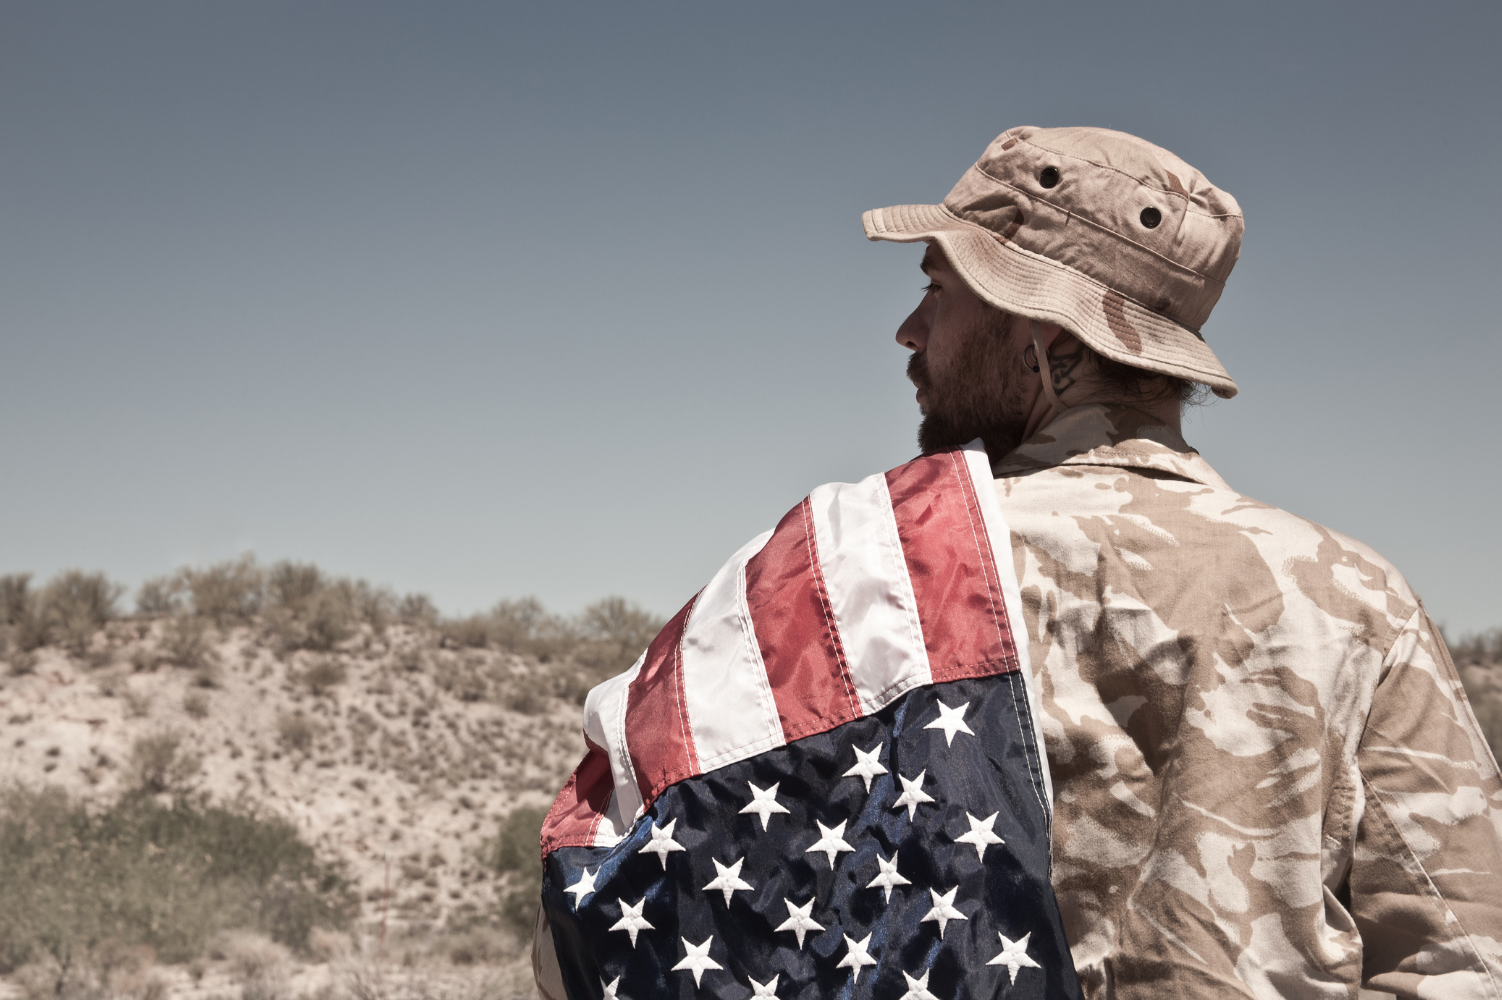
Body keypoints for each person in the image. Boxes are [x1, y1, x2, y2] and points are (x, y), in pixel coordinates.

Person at [536, 126, 1502, 999]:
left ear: (1042, 337)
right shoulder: (1355, 595)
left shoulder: (868, 576)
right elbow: (1464, 955)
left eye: (937, 289)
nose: (910, 331)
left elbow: (602, 918)